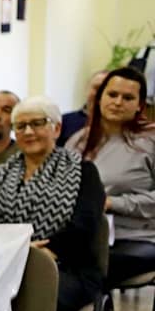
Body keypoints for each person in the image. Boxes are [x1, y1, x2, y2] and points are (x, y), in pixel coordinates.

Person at [0, 96, 107, 311]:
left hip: (68, 266)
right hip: (1, 265)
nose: (28, 132)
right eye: (20, 126)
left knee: (29, 297)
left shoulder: (83, 171)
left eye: (37, 123)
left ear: (57, 128)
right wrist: (18, 250)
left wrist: (34, 255)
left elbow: (85, 225)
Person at [66, 67, 155, 287]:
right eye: (112, 94)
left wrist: (112, 203)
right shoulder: (77, 142)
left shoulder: (150, 141)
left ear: (140, 105)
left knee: (84, 264)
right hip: (86, 235)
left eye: (128, 98)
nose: (117, 102)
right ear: (99, 98)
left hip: (137, 237)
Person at [58, 69, 109, 146]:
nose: (101, 93)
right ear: (87, 89)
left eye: (106, 90)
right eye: (97, 88)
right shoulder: (64, 121)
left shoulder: (118, 126)